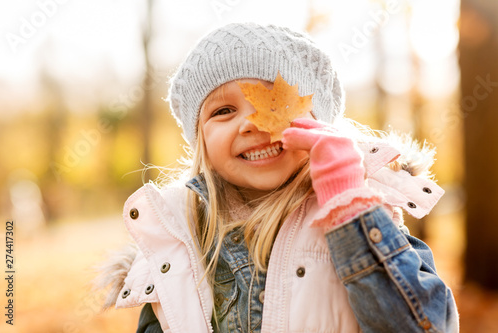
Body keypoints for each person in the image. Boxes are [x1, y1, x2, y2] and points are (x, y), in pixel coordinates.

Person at [98, 22, 459, 332]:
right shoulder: (177, 247)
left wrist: (349, 203)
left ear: (318, 123)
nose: (253, 122)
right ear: (200, 143)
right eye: (223, 111)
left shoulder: (370, 216)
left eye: (276, 103)